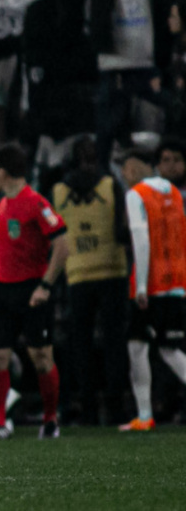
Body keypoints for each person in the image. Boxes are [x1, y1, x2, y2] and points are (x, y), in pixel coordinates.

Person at [0, 144, 68, 440]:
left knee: (41, 357)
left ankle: (51, 419)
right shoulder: (3, 204)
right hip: (2, 291)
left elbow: (63, 246)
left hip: (31, 290)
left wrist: (45, 286)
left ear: (2, 172)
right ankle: (0, 422)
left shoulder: (36, 203)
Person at [52, 136, 128, 426]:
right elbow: (122, 231)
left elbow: (52, 238)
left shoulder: (58, 191)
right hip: (112, 272)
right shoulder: (110, 185)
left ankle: (87, 408)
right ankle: (116, 406)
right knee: (114, 343)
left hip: (77, 274)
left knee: (80, 345)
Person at [118, 149, 186, 431]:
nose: (123, 174)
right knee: (169, 349)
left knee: (137, 347)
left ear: (135, 166)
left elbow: (141, 238)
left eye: (125, 167)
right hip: (177, 281)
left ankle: (144, 415)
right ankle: (144, 415)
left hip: (151, 282)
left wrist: (142, 286)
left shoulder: (136, 195)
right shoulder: (173, 191)